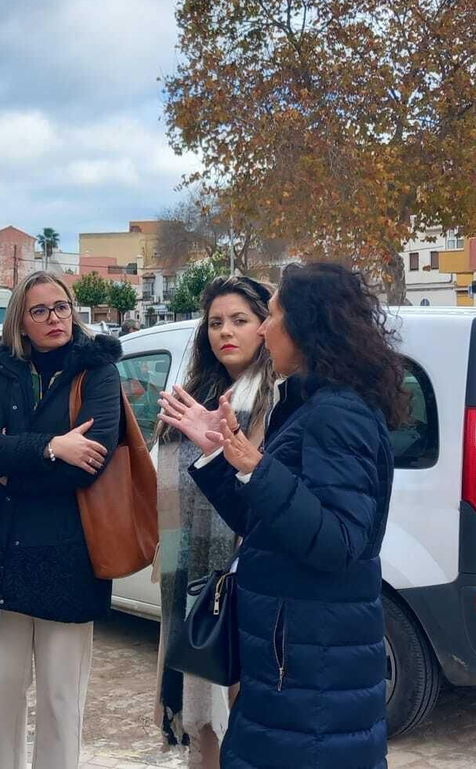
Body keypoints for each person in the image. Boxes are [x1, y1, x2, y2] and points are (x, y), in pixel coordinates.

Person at [159, 262, 404, 769]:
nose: (263, 329)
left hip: (311, 670)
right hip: (290, 661)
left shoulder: (338, 413)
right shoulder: (310, 404)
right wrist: (220, 455)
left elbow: (341, 540)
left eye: (270, 316)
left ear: (307, 325)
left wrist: (256, 466)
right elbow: (263, 527)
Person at [0, 271, 123, 769]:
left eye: (61, 307)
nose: (54, 318)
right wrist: (53, 447)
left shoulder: (98, 370)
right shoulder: (4, 368)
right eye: (40, 310)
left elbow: (91, 461)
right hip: (2, 552)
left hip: (69, 554)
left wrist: (19, 465)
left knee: (60, 697)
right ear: (20, 321)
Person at [155, 276, 276, 769]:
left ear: (267, 325)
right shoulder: (199, 393)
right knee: (201, 708)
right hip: (192, 574)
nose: (225, 332)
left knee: (242, 709)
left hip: (249, 579)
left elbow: (267, 488)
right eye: (215, 323)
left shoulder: (277, 396)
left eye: (240, 320)